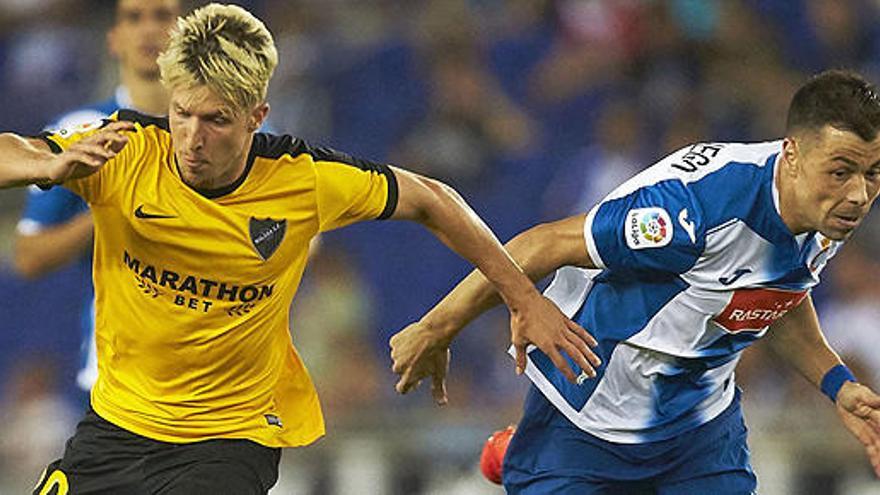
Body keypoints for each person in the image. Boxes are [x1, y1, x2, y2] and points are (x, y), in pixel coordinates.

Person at [0, 4, 599, 493]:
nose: (193, 138)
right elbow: (11, 150)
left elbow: (432, 198)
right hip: (116, 430)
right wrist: (49, 164)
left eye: (216, 120)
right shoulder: (124, 150)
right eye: (182, 114)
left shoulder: (303, 178)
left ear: (257, 115)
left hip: (227, 444)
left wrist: (524, 299)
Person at [391, 69, 880, 493]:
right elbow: (538, 245)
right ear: (792, 156)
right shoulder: (688, 213)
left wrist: (837, 384)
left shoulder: (824, 210)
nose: (859, 194)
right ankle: (524, 448)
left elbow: (775, 293)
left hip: (698, 424)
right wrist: (437, 328)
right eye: (841, 172)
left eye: (874, 173)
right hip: (585, 411)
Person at [13, 0, 180, 393]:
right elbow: (29, 255)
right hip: (119, 374)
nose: (149, 29)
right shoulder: (82, 131)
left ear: (185, 35)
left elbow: (302, 240)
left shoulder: (234, 130)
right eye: (134, 17)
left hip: (221, 372)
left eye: (162, 16)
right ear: (114, 38)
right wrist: (107, 211)